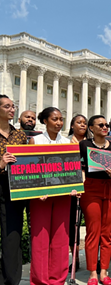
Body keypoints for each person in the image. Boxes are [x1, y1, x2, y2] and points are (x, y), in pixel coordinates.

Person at [28, 107, 76, 285]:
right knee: (40, 238)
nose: (59, 123)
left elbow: (72, 171)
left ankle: (58, 279)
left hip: (63, 195)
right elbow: (29, 169)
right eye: (55, 119)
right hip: (41, 196)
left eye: (61, 119)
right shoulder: (35, 140)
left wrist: (74, 186)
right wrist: (36, 191)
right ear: (45, 121)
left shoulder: (68, 142)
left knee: (61, 238)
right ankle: (40, 280)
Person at [79, 115, 111, 285]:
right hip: (91, 188)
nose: (105, 127)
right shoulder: (84, 145)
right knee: (93, 230)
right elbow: (80, 168)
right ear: (91, 128)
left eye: (106, 125)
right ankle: (92, 272)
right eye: (100, 125)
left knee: (108, 232)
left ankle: (104, 272)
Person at [0, 95, 27, 285]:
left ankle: (11, 279)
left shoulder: (20, 135)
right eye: (7, 106)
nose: (12, 109)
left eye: (13, 106)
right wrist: (1, 163)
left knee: (12, 236)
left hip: (13, 189)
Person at [67, 114, 89, 272]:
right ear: (72, 125)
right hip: (72, 188)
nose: (82, 125)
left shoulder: (91, 143)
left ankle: (93, 257)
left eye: (85, 123)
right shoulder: (66, 142)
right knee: (72, 224)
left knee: (92, 225)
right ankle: (75, 257)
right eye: (79, 123)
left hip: (90, 186)